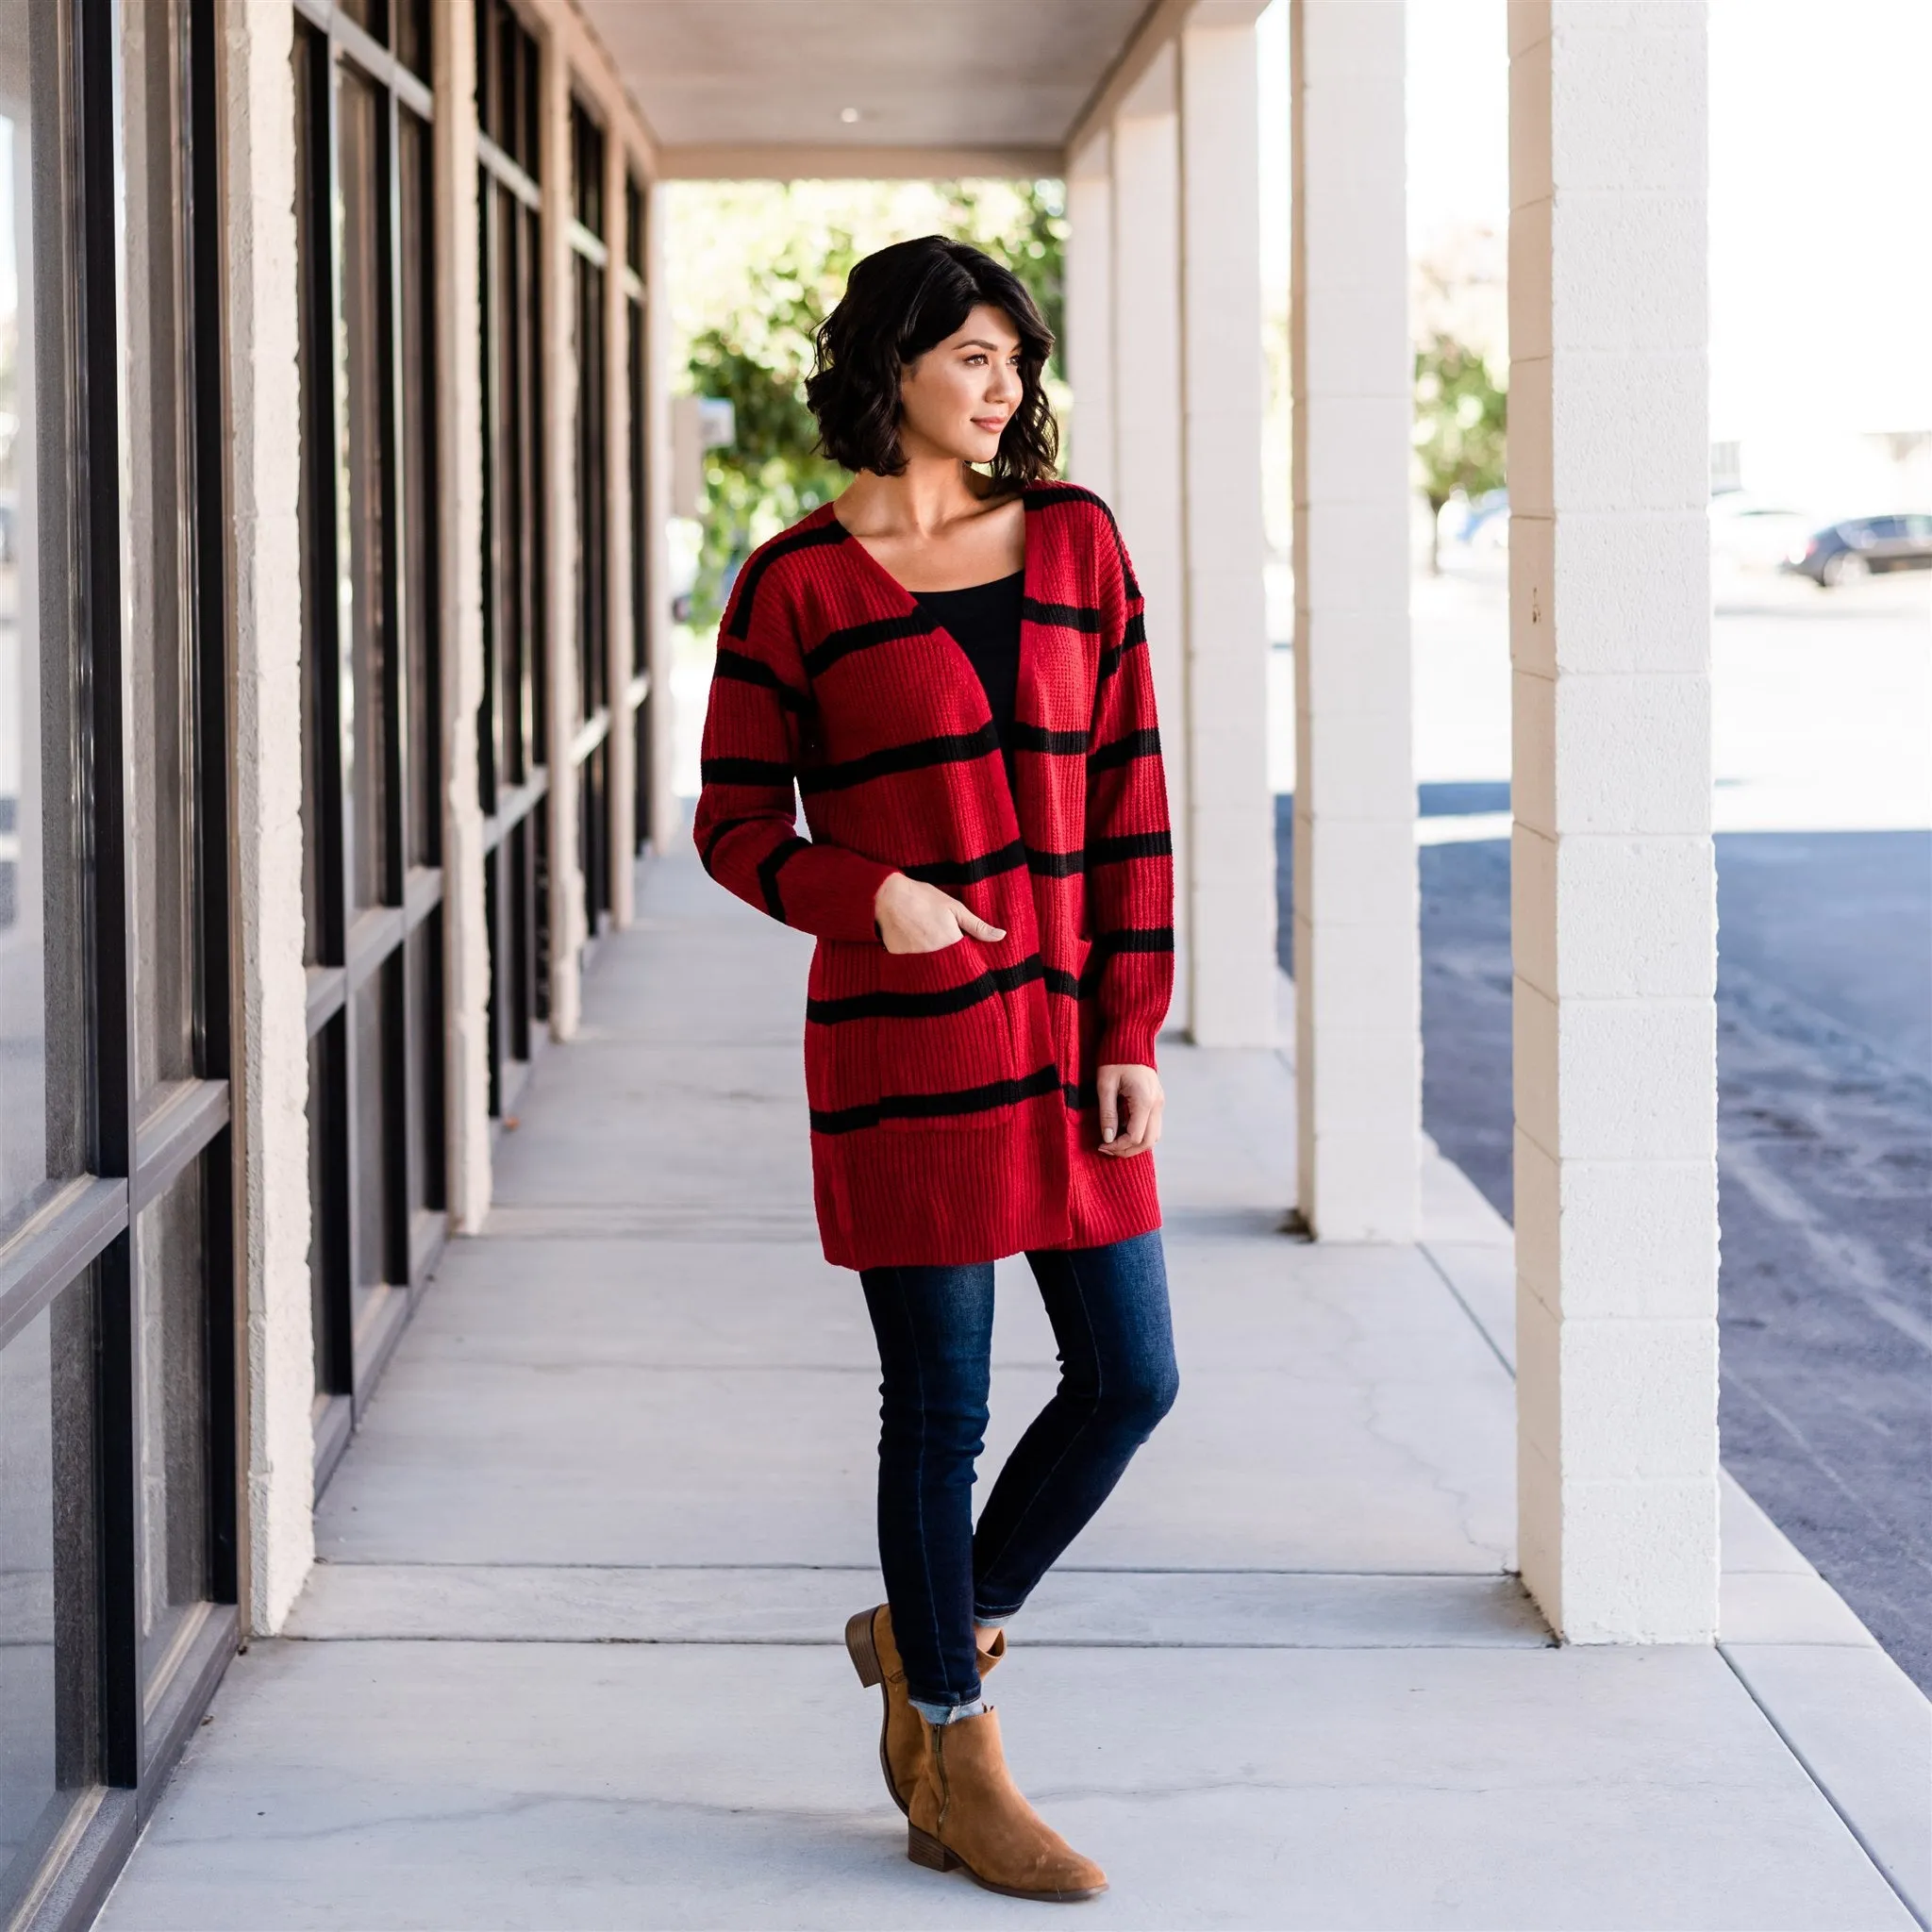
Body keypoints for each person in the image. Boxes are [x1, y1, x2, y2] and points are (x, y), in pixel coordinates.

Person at [693, 236, 1178, 1905]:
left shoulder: (1076, 540)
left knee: (1131, 1376)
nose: (1007, 385)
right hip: (905, 1046)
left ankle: (920, 1627)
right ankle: (955, 1751)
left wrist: (1130, 1031)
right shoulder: (795, 585)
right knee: (942, 1405)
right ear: (892, 366)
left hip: (1063, 1041)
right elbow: (735, 826)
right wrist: (865, 891)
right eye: (974, 353)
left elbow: (1131, 793)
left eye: (1015, 357)